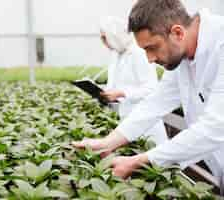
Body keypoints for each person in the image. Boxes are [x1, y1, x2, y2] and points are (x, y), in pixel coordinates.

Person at [73, 0, 224, 184]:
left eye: (152, 48)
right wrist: (108, 142)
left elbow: (216, 126)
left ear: (177, 32)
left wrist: (138, 161)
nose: (150, 59)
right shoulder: (182, 56)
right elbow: (156, 102)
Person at [99, 16, 167, 145]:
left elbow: (151, 88)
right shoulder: (117, 54)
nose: (103, 42)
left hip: (146, 121)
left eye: (104, 37)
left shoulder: (139, 52)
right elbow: (116, 84)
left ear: (114, 34)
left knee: (152, 158)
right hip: (127, 120)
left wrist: (122, 93)